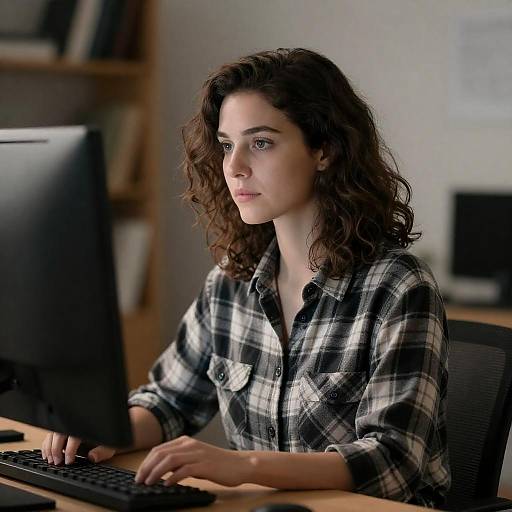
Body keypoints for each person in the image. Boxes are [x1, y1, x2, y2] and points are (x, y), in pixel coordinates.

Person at [41, 48, 450, 507]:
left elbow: (394, 461)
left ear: (325, 150)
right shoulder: (229, 285)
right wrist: (105, 432)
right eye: (226, 144)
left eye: (260, 142)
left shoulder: (398, 287)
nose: (234, 166)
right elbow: (170, 400)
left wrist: (244, 466)